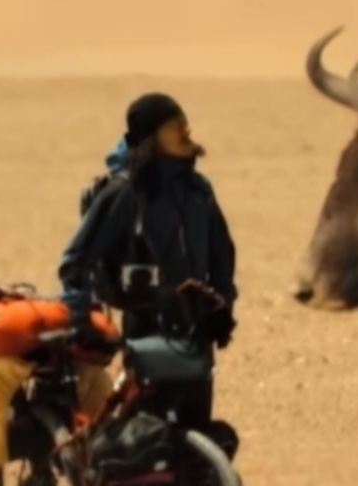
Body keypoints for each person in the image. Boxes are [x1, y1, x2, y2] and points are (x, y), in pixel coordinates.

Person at [57, 92, 239, 431]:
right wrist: (82, 319)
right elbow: (75, 261)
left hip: (196, 330)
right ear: (151, 137)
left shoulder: (199, 191)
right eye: (174, 126)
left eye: (185, 123)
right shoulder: (124, 194)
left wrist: (223, 308)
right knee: (148, 436)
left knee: (198, 433)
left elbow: (222, 255)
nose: (186, 131)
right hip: (146, 329)